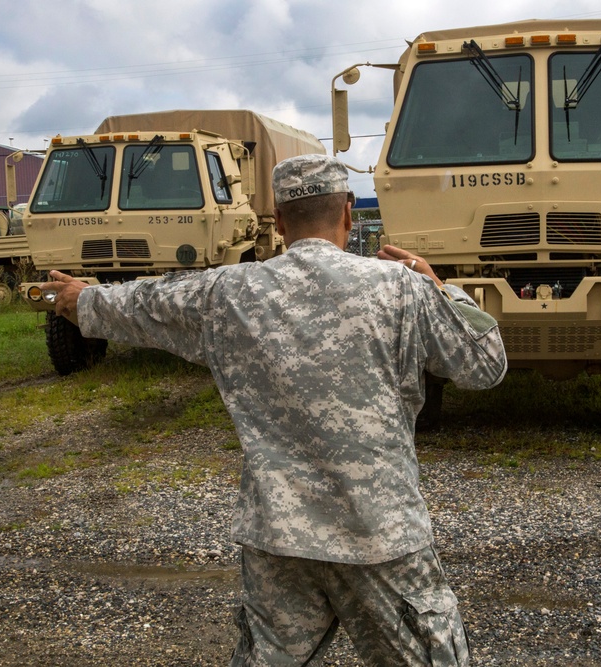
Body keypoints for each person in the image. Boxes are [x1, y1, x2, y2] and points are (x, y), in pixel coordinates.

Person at [41, 153, 508, 666]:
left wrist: (82, 299)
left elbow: (149, 302)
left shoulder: (228, 292)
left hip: (278, 539)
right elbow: (485, 365)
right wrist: (439, 286)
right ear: (348, 213)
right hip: (379, 535)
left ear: (280, 222)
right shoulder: (401, 288)